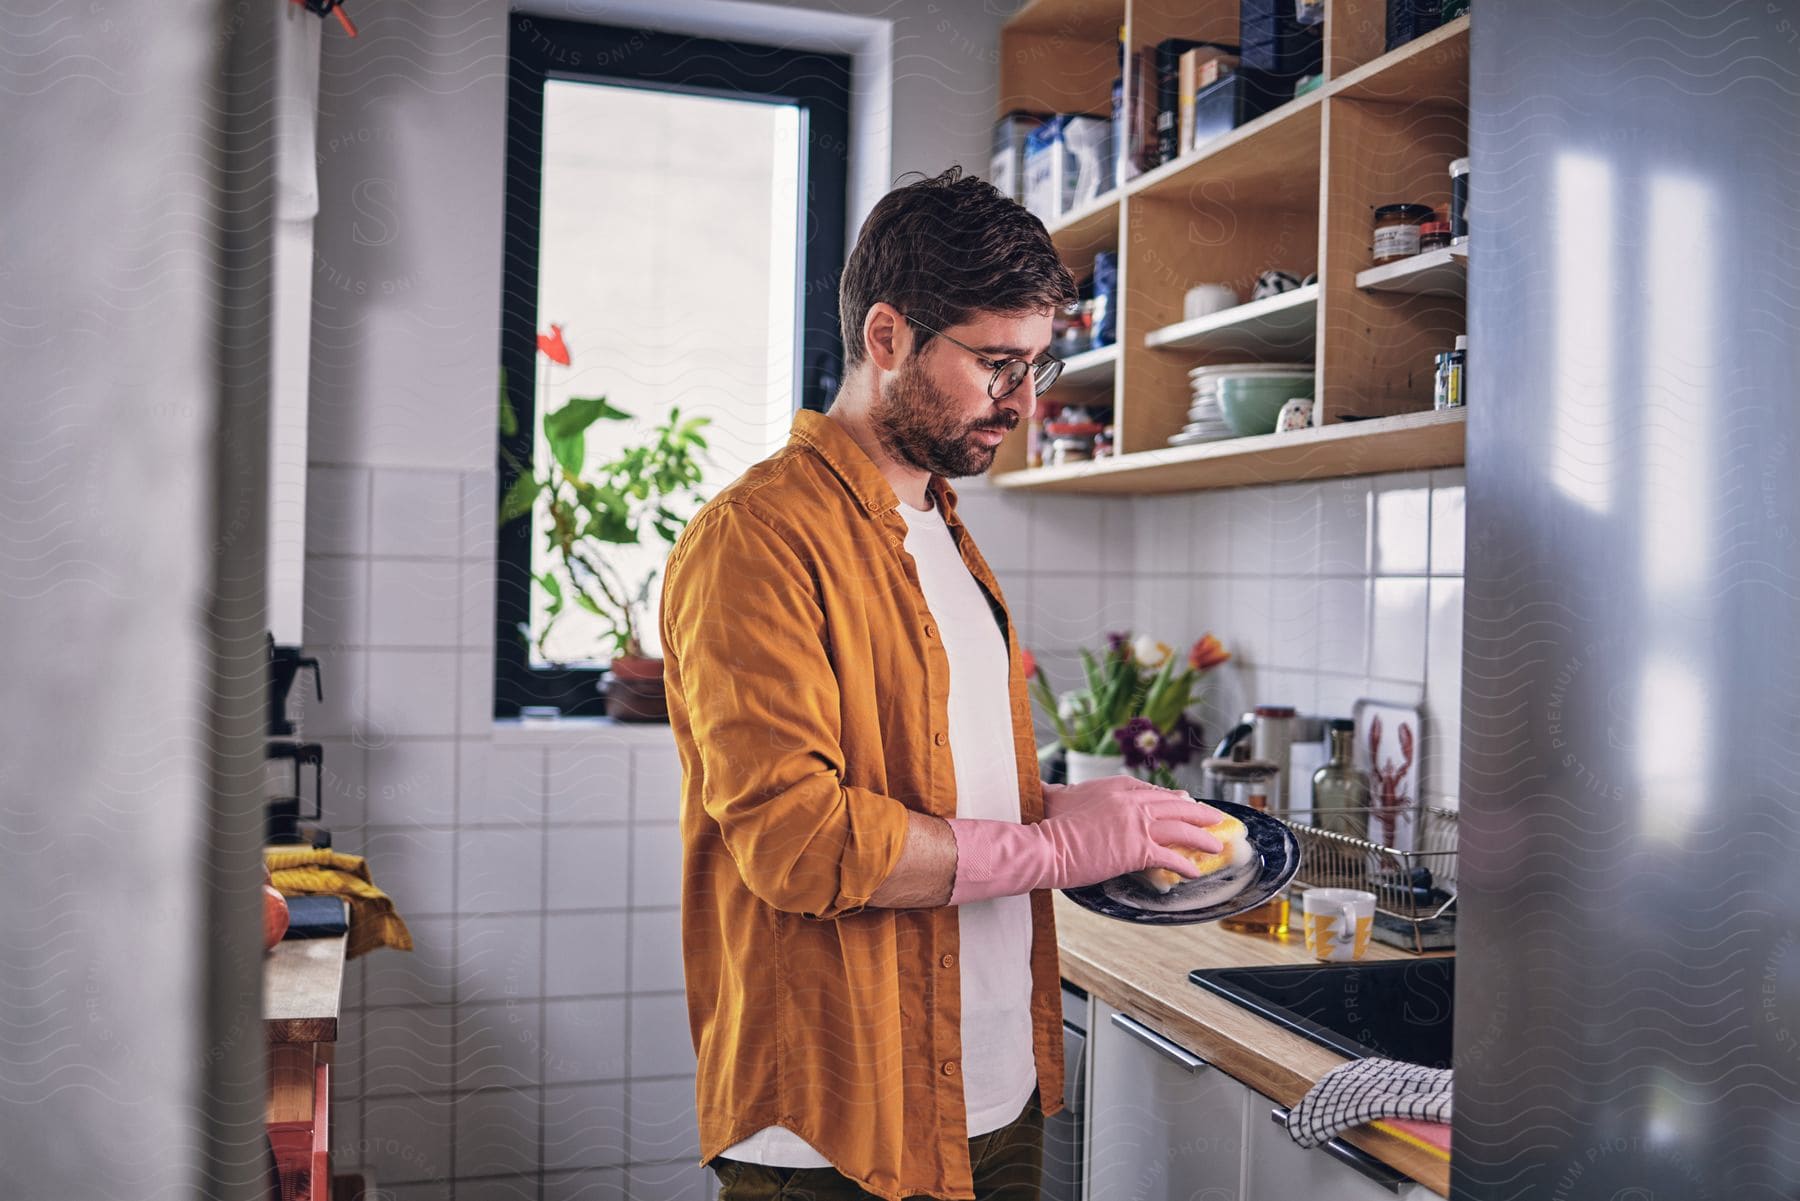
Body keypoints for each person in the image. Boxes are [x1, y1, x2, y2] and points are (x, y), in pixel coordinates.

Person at [659, 165, 1226, 1201]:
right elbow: (799, 842)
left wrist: (1062, 806)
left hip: (994, 1092)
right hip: (838, 1129)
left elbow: (930, 794)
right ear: (888, 338)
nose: (1021, 402)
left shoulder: (945, 530)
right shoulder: (757, 539)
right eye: (996, 364)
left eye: (1037, 368)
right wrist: (1051, 845)